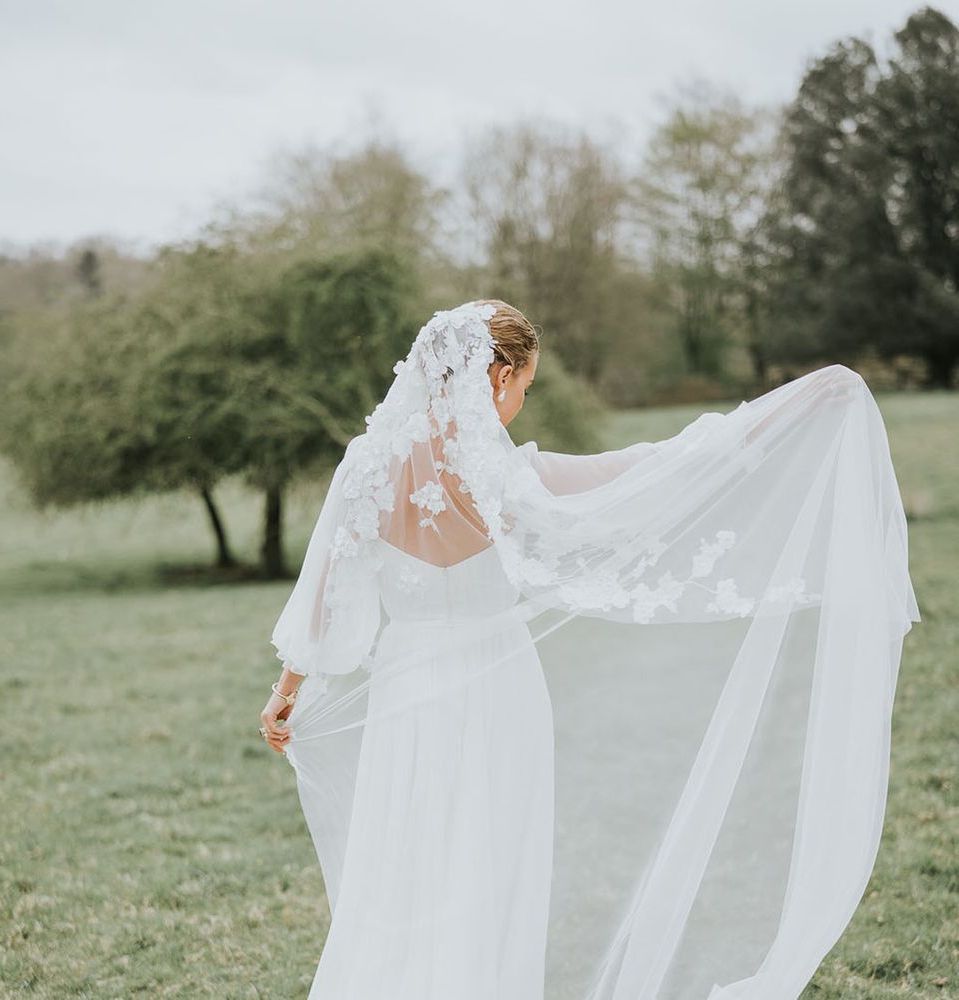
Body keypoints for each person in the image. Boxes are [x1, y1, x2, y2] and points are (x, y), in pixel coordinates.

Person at [261, 300, 920, 1000]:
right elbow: (652, 466)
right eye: (524, 386)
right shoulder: (505, 478)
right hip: (497, 688)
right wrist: (782, 412)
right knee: (491, 868)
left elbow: (326, 596)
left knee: (404, 862)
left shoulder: (365, 467)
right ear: (499, 377)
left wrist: (286, 693)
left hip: (406, 694)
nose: (520, 402)